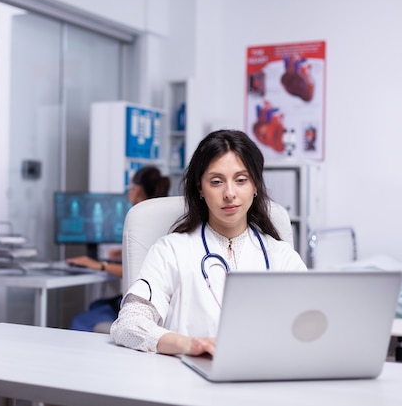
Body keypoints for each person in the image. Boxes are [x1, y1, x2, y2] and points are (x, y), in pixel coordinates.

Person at [110, 129, 307, 356]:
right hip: (185, 381)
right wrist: (190, 345)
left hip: (264, 379)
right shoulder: (172, 251)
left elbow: (312, 326)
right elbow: (128, 325)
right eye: (216, 182)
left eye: (241, 180)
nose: (229, 193)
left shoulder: (281, 256)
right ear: (200, 189)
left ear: (255, 186)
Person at [66, 166, 171, 332]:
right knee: (97, 305)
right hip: (155, 300)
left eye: (130, 188)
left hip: (143, 304)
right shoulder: (162, 216)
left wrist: (99, 265)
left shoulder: (141, 218)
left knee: (81, 320)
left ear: (137, 190)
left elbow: (136, 271)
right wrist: (125, 252)